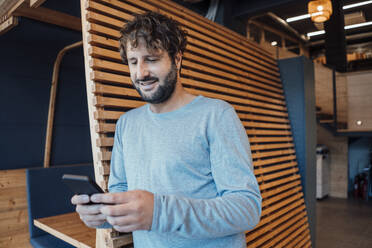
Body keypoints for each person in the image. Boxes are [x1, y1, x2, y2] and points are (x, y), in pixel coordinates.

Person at [72, 11, 261, 248]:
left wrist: (160, 212)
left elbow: (246, 209)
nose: (140, 73)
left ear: (177, 59)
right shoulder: (126, 124)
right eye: (133, 62)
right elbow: (121, 190)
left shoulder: (216, 115)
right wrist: (102, 214)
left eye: (151, 59)